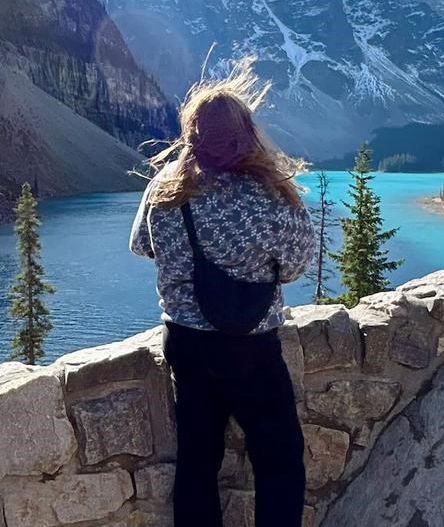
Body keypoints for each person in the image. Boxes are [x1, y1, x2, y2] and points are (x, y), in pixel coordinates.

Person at [129, 58, 316, 526]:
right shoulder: (269, 194)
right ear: (245, 135)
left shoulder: (165, 188)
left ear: (191, 135)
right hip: (251, 348)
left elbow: (141, 245)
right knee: (279, 463)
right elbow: (293, 267)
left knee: (197, 463)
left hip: (186, 344)